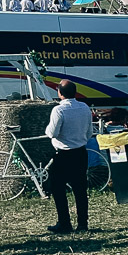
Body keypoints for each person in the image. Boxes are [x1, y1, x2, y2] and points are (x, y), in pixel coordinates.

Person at [44, 80, 92, 234]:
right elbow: (89, 131)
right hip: (80, 152)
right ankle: (83, 223)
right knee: (80, 189)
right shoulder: (84, 107)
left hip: (64, 153)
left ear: (60, 93)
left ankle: (64, 222)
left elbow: (52, 133)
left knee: (58, 189)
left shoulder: (59, 110)